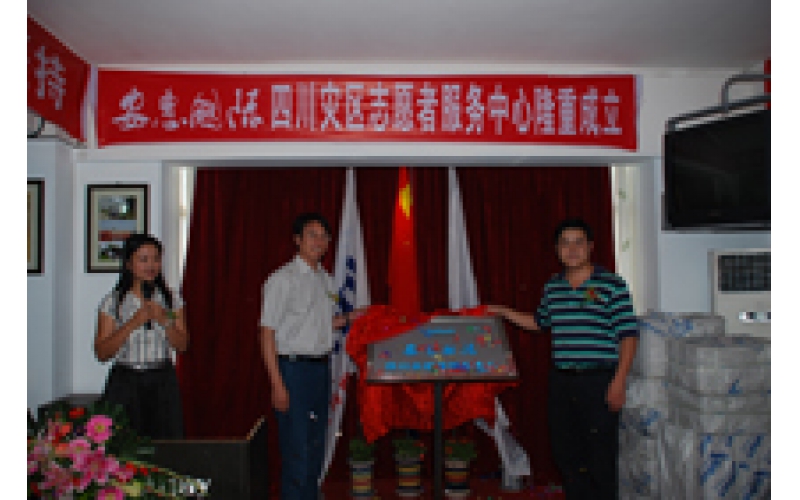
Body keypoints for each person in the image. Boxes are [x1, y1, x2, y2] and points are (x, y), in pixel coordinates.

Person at [489, 218, 638, 500]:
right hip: (561, 382)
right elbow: (539, 322)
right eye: (565, 243)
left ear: (590, 247)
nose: (572, 249)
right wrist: (504, 312)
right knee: (566, 453)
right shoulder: (553, 287)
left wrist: (619, 381)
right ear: (557, 249)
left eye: (578, 242)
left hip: (599, 381)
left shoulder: (612, 285)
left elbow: (628, 336)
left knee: (600, 455)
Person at [259, 213, 361, 500]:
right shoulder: (282, 280)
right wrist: (277, 384)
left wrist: (352, 317)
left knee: (316, 448)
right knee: (297, 452)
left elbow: (321, 325)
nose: (319, 241)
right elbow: (266, 334)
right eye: (312, 235)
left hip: (320, 370)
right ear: (297, 240)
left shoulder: (326, 280)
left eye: (324, 236)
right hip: (293, 371)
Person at [94, 234, 189, 440]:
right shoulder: (113, 302)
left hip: (162, 380)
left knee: (166, 444)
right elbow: (102, 353)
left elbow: (183, 345)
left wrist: (165, 321)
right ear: (129, 263)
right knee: (125, 445)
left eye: (156, 259)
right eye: (143, 259)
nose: (151, 265)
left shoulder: (171, 300)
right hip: (126, 381)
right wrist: (132, 323)